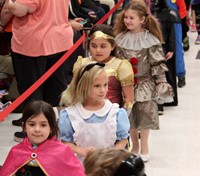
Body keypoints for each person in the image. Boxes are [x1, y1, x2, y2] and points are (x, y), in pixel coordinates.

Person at [114, 1, 174, 162]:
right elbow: (117, 62)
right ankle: (134, 145)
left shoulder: (151, 39)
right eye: (125, 17)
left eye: (131, 18)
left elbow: (156, 63)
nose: (127, 21)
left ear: (142, 20)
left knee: (145, 115)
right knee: (130, 116)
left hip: (145, 82)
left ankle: (145, 145)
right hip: (126, 85)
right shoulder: (120, 38)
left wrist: (161, 81)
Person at [58, 63, 130, 162]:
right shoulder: (71, 114)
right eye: (97, 86)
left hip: (109, 164)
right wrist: (81, 150)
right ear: (83, 86)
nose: (103, 90)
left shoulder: (116, 113)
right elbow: (65, 142)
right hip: (82, 165)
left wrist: (111, 153)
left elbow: (123, 139)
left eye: (105, 84)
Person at [61, 24, 134, 113]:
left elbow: (128, 98)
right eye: (94, 46)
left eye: (103, 46)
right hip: (83, 115)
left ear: (113, 46)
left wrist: (122, 119)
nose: (98, 50)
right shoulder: (81, 64)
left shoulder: (121, 66)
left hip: (110, 116)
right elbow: (74, 92)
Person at [0, 100, 86, 175]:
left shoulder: (62, 152)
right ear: (24, 127)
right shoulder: (16, 151)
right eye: (32, 124)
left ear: (52, 128)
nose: (37, 129)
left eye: (43, 125)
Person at [150, 0, 178, 113]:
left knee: (164, 75)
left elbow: (171, 33)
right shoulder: (145, 14)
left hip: (164, 48)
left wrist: (171, 49)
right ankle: (157, 102)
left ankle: (165, 100)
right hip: (151, 48)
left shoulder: (167, 14)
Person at [166, 0, 187, 87]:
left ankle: (181, 75)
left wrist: (176, 17)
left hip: (175, 24)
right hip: (161, 23)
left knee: (177, 49)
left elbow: (183, 10)